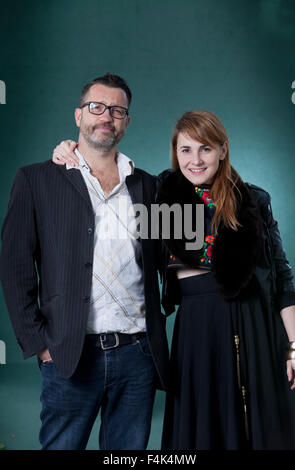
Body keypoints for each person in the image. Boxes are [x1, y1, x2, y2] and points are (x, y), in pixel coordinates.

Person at [53, 109, 295, 450]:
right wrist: (71, 149)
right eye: (186, 150)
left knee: (257, 429)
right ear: (175, 153)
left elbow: (284, 282)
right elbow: (105, 183)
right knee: (200, 433)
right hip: (196, 333)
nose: (195, 160)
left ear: (223, 150)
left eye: (206, 149)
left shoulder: (254, 200)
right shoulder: (159, 195)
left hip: (254, 328)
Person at [0, 73, 169, 450]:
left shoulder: (149, 186)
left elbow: (173, 252)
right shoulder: (37, 180)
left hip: (137, 357)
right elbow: (14, 267)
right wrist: (40, 344)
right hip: (69, 356)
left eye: (117, 110)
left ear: (126, 122)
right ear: (79, 116)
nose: (106, 116)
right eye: (96, 107)